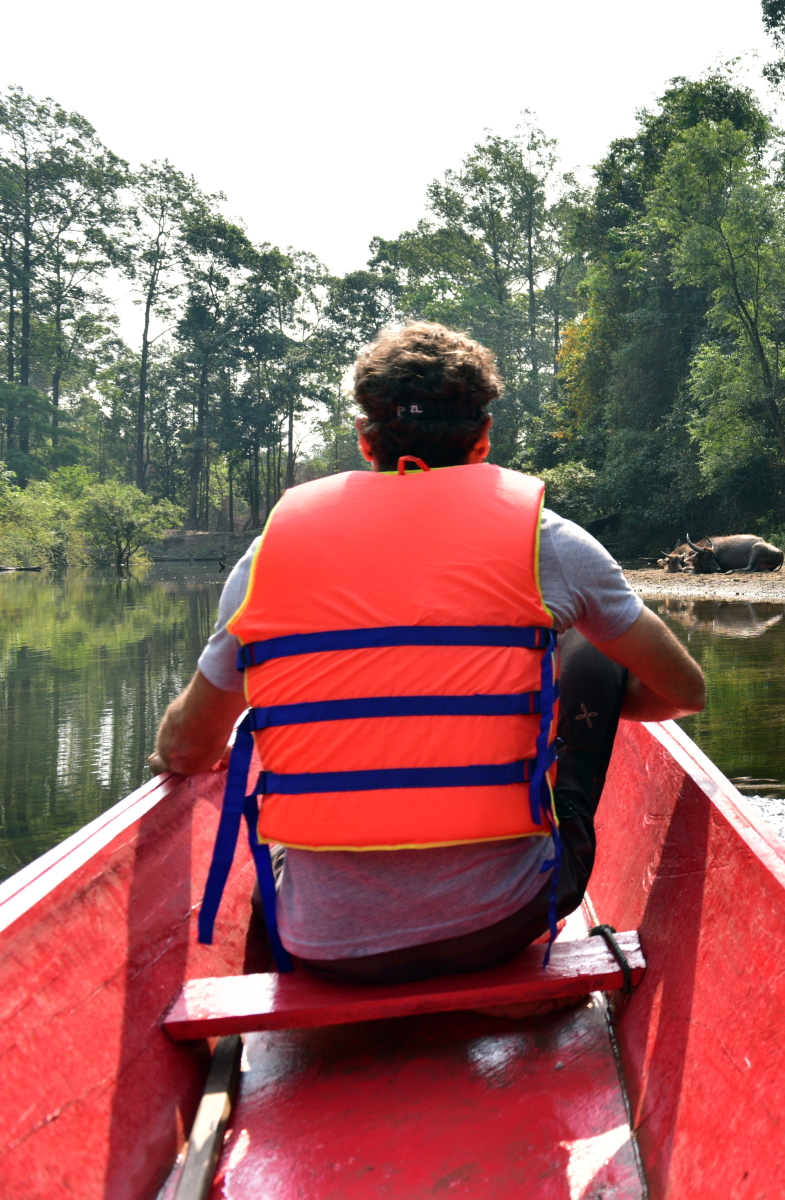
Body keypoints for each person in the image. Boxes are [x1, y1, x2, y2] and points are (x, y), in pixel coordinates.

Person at [150, 321, 705, 984]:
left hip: (320, 941)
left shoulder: (270, 555)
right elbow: (684, 691)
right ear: (483, 440)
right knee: (593, 651)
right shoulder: (551, 543)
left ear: (365, 440)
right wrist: (559, 710)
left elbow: (186, 751)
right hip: (502, 923)